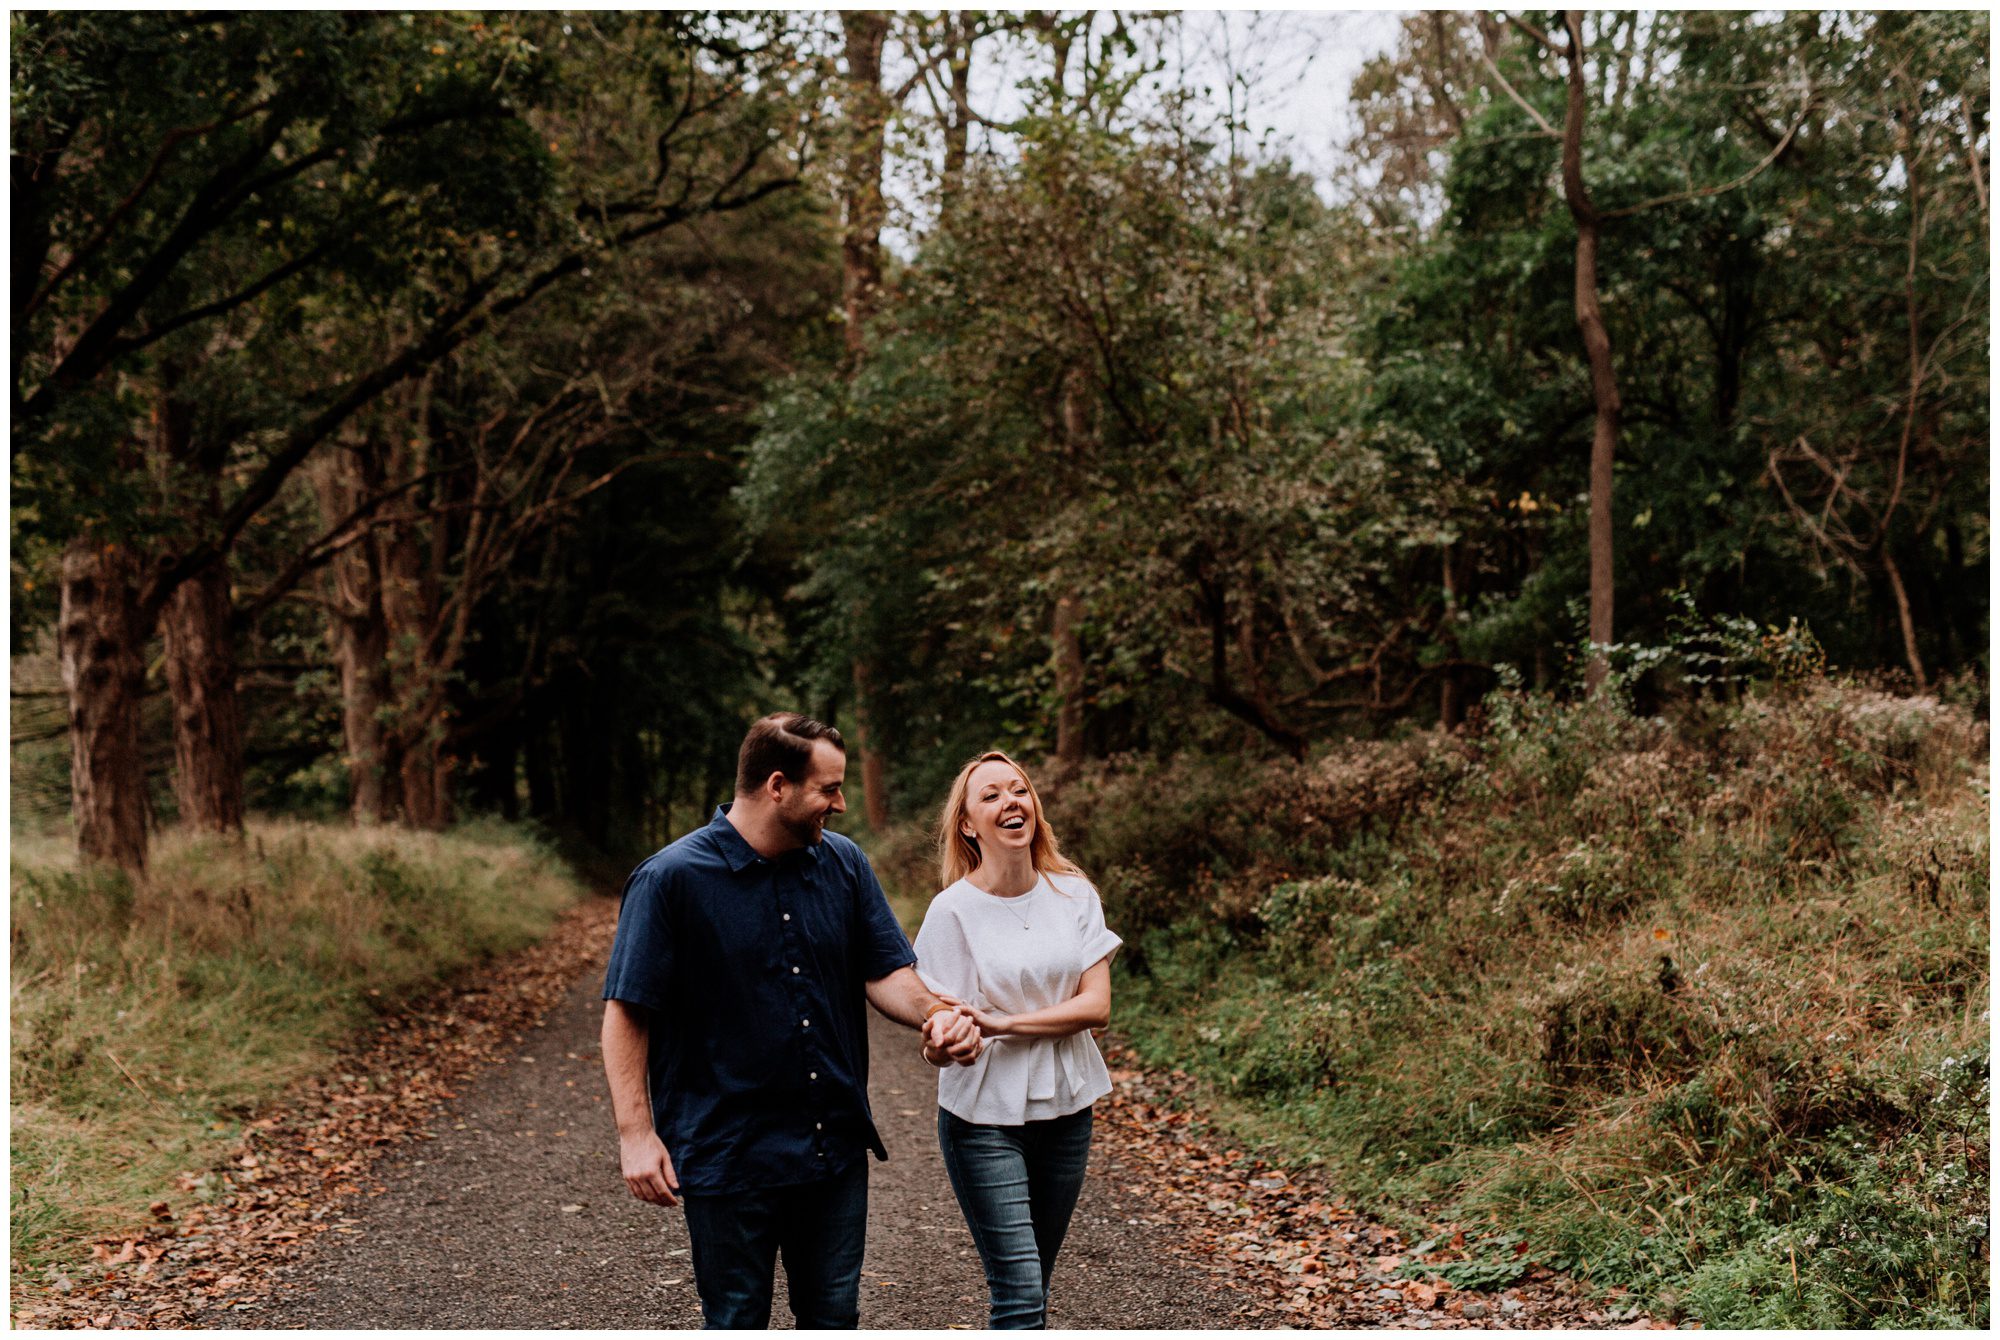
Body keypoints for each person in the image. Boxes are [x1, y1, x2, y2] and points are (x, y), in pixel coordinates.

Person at [601, 712, 982, 1330]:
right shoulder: (670, 880)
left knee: (833, 1317)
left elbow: (885, 970)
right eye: (828, 789)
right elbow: (627, 1010)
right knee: (736, 1319)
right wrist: (635, 1134)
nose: (841, 803)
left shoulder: (844, 865)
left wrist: (937, 1015)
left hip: (830, 1147)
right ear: (777, 785)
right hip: (726, 1152)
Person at [912, 750, 1122, 1329]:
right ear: (967, 825)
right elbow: (936, 1034)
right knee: (1022, 1295)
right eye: (992, 795)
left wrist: (999, 1023)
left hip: (1066, 1111)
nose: (1011, 802)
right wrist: (944, 1040)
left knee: (1034, 1285)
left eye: (1019, 790)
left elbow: (1095, 1007)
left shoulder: (1074, 894)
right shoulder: (951, 912)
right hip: (983, 1120)